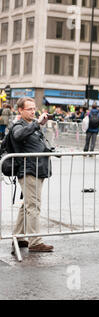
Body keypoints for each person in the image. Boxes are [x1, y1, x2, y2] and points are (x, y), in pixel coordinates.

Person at [10, 97, 53, 253]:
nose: (33, 111)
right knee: (33, 206)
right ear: (20, 110)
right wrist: (36, 124)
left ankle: (18, 236)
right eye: (29, 109)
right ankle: (35, 241)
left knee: (27, 205)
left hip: (37, 169)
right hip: (29, 170)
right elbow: (18, 136)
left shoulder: (31, 125)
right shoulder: (18, 125)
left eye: (34, 108)